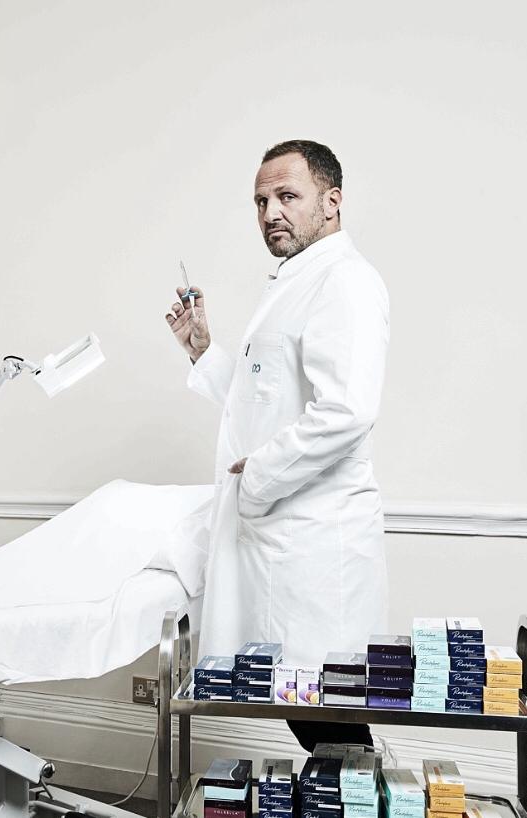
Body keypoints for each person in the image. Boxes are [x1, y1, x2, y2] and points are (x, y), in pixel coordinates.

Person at [165, 140, 389, 752]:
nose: (271, 213)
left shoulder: (344, 281)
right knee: (309, 710)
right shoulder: (295, 283)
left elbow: (346, 410)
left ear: (332, 201)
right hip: (281, 539)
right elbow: (260, 403)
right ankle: (358, 790)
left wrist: (257, 476)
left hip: (314, 540)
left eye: (288, 196)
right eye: (261, 202)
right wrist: (203, 350)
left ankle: (371, 792)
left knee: (326, 712)